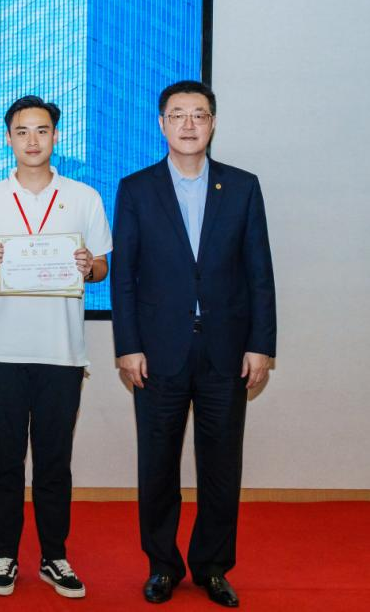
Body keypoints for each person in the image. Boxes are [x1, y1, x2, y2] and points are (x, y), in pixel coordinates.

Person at [112, 81, 275, 608]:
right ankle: (162, 566)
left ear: (213, 123)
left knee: (221, 468)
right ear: (161, 123)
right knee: (157, 466)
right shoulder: (136, 188)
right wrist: (127, 345)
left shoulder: (242, 186)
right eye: (177, 115)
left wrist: (261, 344)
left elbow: (259, 272)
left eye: (198, 115)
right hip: (158, 352)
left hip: (227, 351)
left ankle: (212, 567)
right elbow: (124, 277)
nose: (188, 124)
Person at [0, 95, 111, 600]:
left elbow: (102, 266)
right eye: (22, 131)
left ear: (56, 136)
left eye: (42, 130)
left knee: (54, 462)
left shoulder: (84, 197)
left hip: (62, 352)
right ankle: (4, 555)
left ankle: (54, 556)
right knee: (4, 461)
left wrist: (89, 266)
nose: (32, 140)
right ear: (8, 139)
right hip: (2, 351)